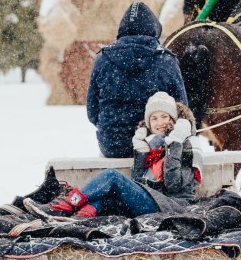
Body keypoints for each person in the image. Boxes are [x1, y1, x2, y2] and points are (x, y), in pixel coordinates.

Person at [25, 91, 199, 218]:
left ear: (173, 120)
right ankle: (76, 219)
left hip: (173, 206)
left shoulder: (183, 144)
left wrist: (174, 143)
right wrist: (141, 151)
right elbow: (139, 182)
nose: (159, 122)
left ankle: (64, 206)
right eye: (154, 118)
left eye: (164, 116)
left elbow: (174, 184)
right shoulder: (151, 145)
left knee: (112, 176)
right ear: (148, 123)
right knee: (104, 198)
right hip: (155, 201)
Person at [87, 1, 188, 159]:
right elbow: (182, 107)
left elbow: (92, 112)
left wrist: (115, 129)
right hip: (155, 146)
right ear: (154, 30)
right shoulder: (166, 60)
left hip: (113, 146)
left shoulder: (103, 59)